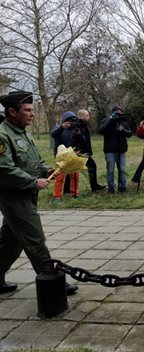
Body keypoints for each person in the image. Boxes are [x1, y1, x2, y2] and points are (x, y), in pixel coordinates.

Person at [0, 91, 77, 295]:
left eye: (32, 110)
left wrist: (46, 170)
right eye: (27, 110)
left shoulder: (22, 131)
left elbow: (33, 160)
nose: (32, 114)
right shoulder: (2, 135)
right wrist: (33, 182)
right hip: (14, 196)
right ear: (11, 112)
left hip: (26, 194)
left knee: (11, 242)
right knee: (34, 238)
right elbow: (4, 169)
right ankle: (52, 280)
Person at [98, 106, 132, 193]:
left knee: (122, 170)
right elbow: (101, 131)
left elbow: (129, 134)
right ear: (112, 113)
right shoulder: (106, 121)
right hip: (110, 150)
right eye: (116, 113)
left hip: (121, 149)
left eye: (120, 113)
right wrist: (110, 121)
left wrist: (122, 129)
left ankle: (123, 187)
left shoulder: (123, 122)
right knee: (110, 170)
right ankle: (111, 188)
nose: (118, 115)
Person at [50, 111, 82, 200]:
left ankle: (75, 193)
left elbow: (81, 140)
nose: (70, 123)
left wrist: (79, 133)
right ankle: (57, 196)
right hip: (61, 155)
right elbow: (53, 135)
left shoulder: (75, 129)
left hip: (73, 154)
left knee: (75, 176)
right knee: (59, 177)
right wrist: (62, 127)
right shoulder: (58, 127)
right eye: (69, 120)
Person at [77, 109, 106, 192]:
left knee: (91, 167)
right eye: (87, 115)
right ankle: (94, 186)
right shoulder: (79, 125)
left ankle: (94, 185)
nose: (89, 117)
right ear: (82, 116)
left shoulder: (84, 125)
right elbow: (79, 139)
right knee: (92, 166)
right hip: (82, 152)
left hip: (85, 151)